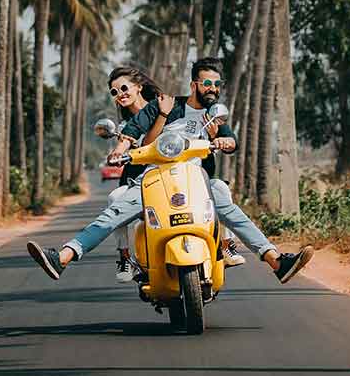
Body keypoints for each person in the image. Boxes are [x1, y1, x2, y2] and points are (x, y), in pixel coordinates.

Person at [27, 57, 313, 284]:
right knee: (112, 214)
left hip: (196, 180)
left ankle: (276, 261)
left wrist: (224, 140)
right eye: (206, 83)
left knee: (225, 199)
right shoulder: (162, 106)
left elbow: (230, 139)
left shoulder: (211, 115)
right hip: (153, 181)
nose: (211, 88)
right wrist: (119, 150)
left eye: (216, 83)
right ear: (193, 85)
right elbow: (131, 134)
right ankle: (62, 257)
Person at [101, 64, 247, 284]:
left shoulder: (168, 107)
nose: (120, 94)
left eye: (123, 88)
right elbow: (141, 143)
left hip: (180, 176)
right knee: (115, 198)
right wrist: (120, 150)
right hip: (144, 181)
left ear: (139, 87)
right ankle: (124, 258)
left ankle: (226, 246)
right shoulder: (127, 125)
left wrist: (217, 137)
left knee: (220, 190)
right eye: (114, 92)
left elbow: (198, 127)